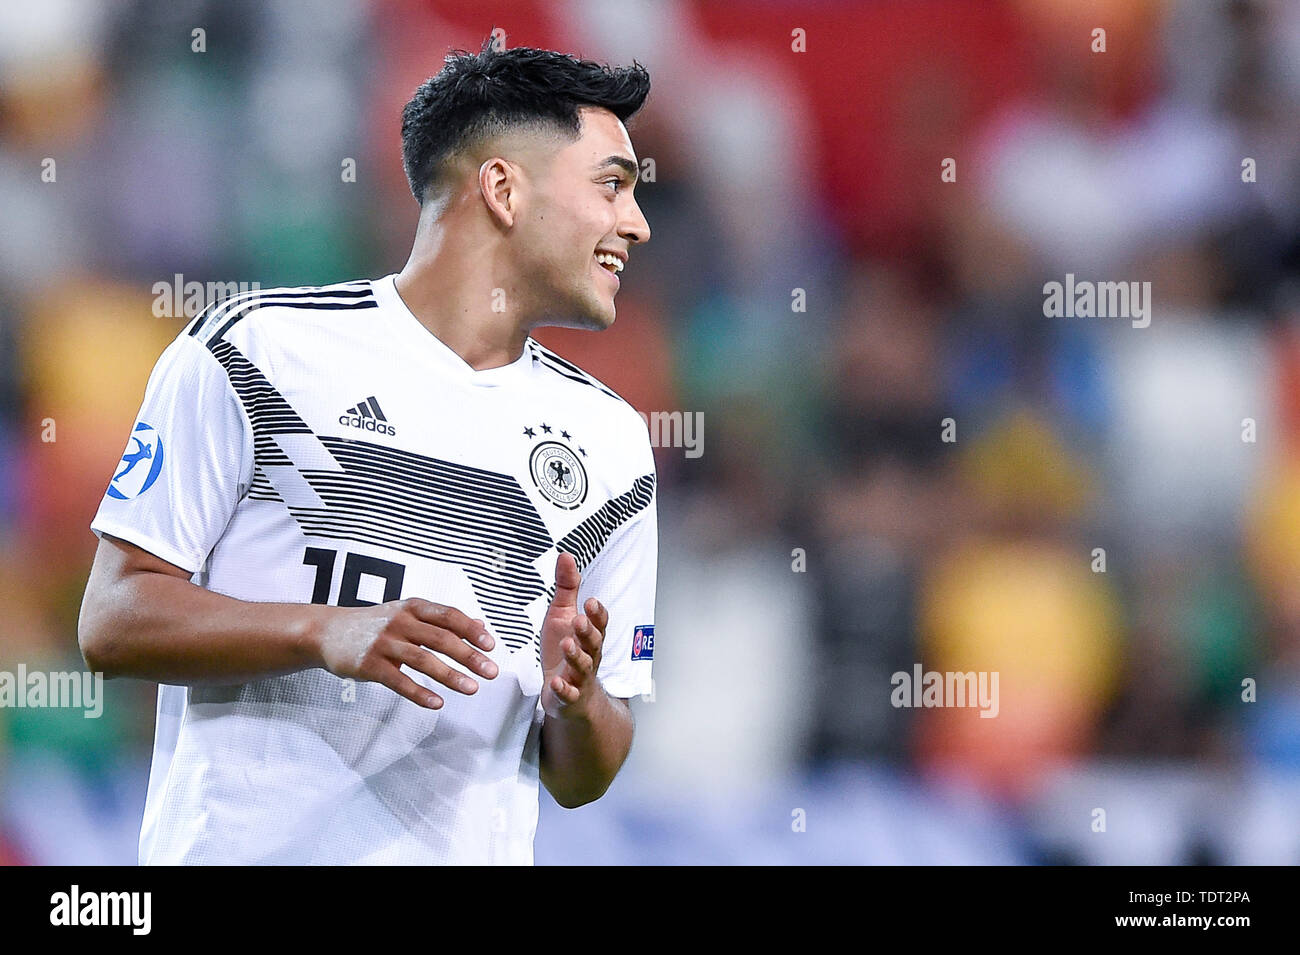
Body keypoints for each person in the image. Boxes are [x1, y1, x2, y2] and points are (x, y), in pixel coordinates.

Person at [77, 40, 658, 865]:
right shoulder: (256, 354)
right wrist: (323, 631)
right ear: (502, 188)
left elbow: (585, 772)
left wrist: (576, 695)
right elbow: (111, 621)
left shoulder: (612, 445)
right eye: (612, 184)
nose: (635, 222)